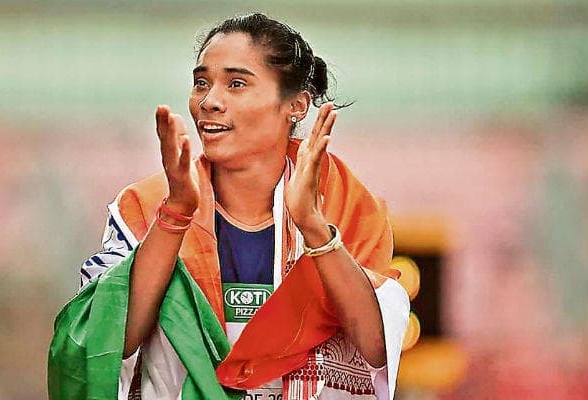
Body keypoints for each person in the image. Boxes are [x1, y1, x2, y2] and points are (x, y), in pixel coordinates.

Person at [48, 13, 409, 400]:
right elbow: (104, 343)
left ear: (296, 105)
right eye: (201, 83)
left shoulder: (349, 208)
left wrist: (313, 228)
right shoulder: (144, 207)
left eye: (236, 84)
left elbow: (377, 348)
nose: (209, 102)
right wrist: (175, 215)